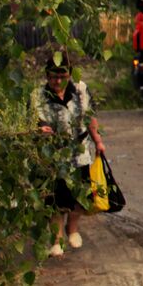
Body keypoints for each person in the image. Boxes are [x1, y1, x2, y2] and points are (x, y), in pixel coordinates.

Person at [33, 51, 106, 257]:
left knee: (79, 198)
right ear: (47, 76)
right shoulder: (38, 95)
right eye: (53, 77)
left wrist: (98, 141)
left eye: (62, 77)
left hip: (79, 153)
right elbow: (36, 120)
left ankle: (72, 230)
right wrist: (41, 129)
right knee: (54, 201)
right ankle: (56, 241)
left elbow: (90, 117)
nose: (57, 81)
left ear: (69, 75)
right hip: (53, 157)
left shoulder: (81, 90)